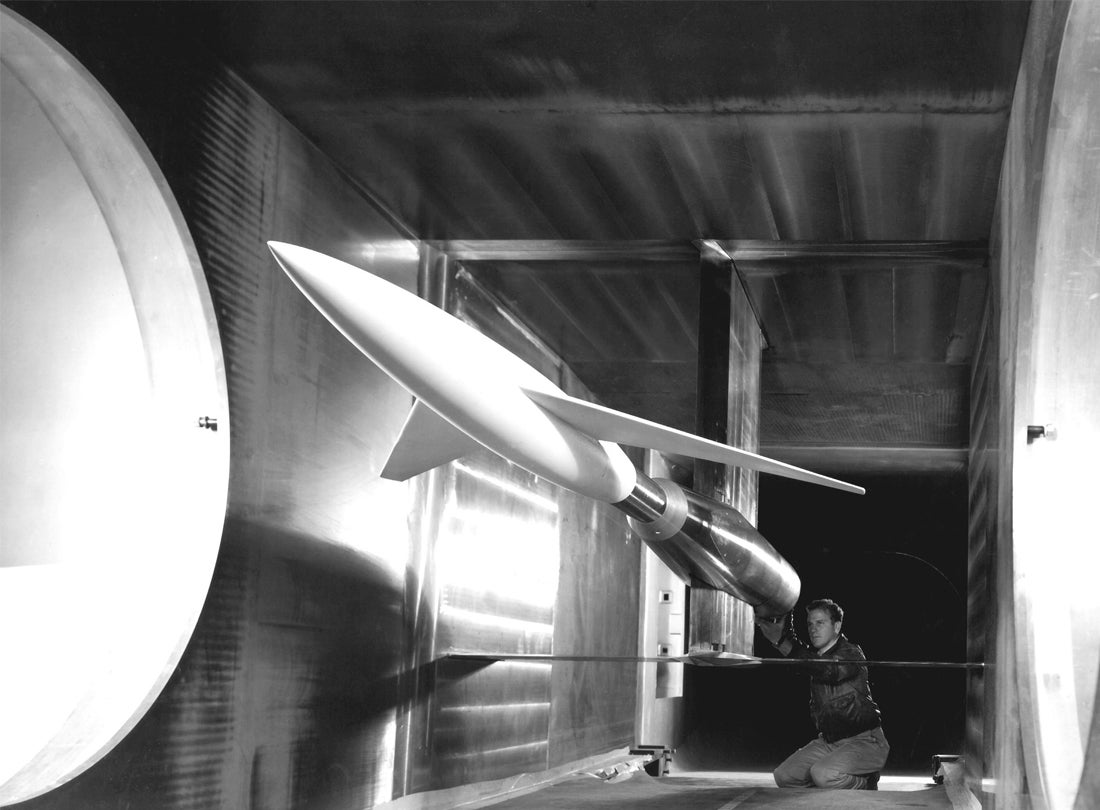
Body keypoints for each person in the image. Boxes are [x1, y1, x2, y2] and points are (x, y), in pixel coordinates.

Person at [755, 598, 889, 790]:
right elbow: (806, 659)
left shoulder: (851, 653)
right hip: (829, 742)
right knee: (784, 776)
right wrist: (778, 636)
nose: (813, 629)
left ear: (837, 626)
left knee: (823, 775)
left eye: (820, 623)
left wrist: (786, 642)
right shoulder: (814, 658)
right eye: (809, 624)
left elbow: (828, 670)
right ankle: (830, 782)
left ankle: (866, 782)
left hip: (865, 741)